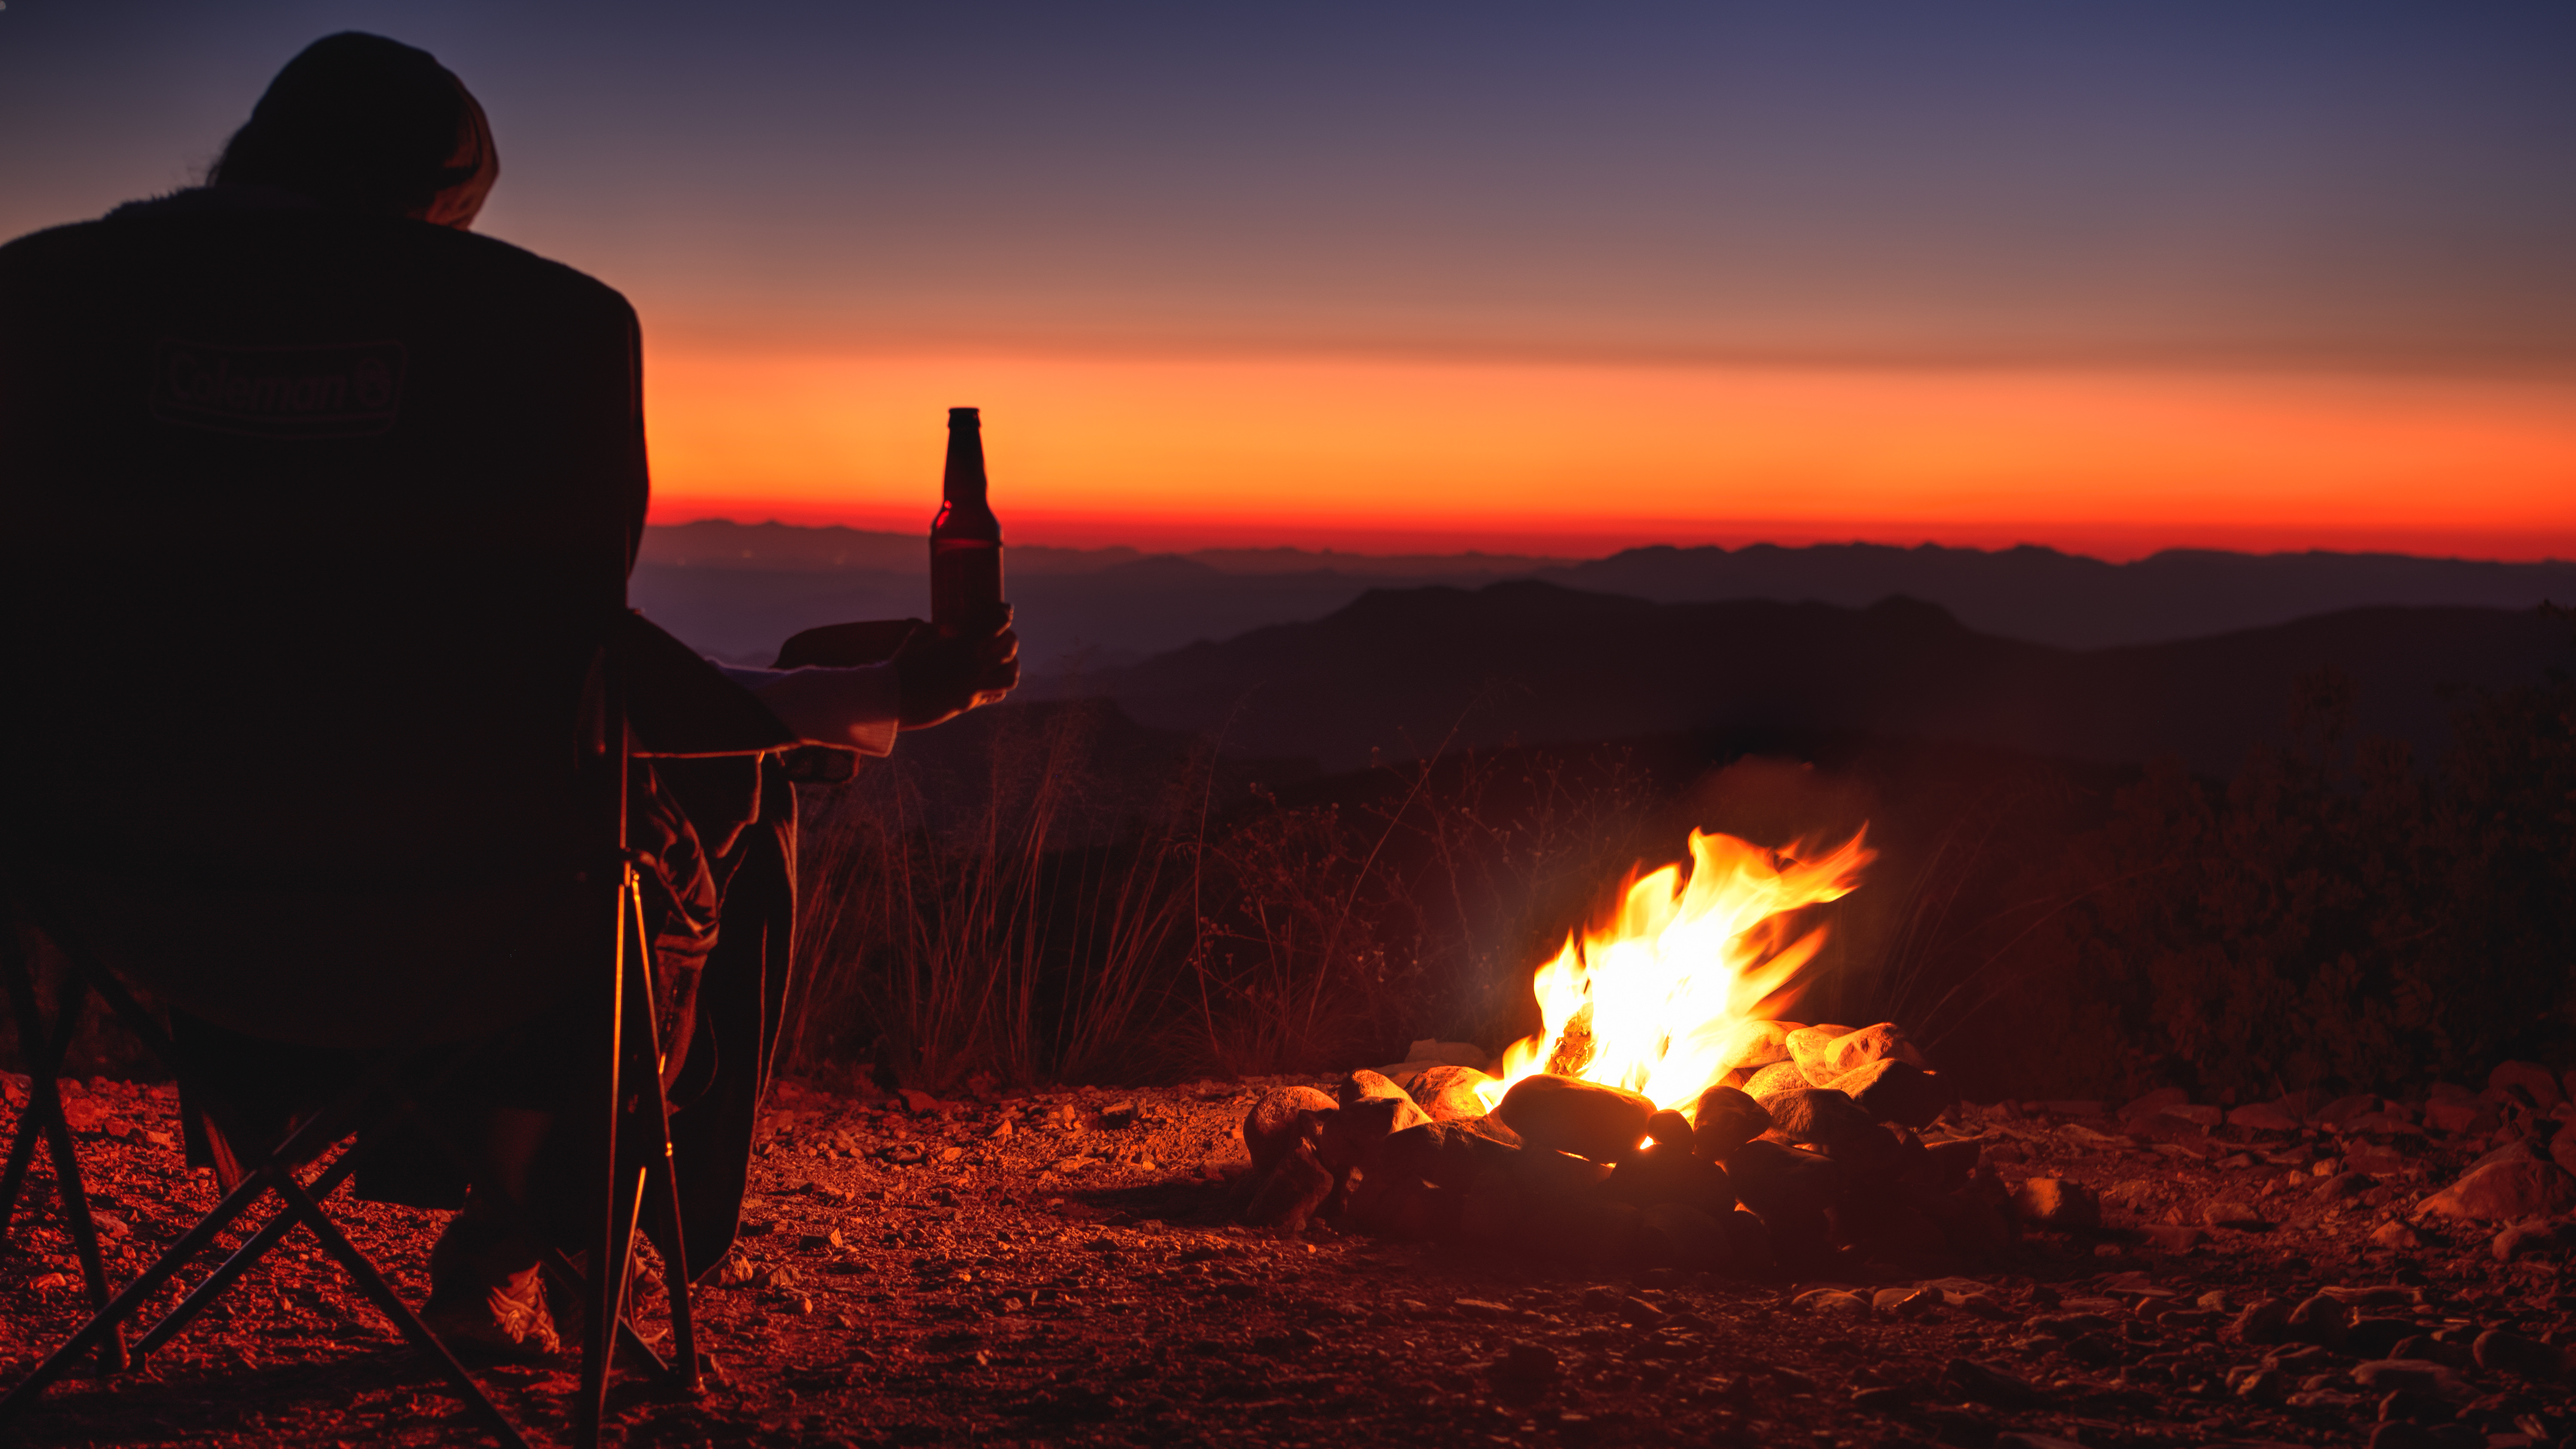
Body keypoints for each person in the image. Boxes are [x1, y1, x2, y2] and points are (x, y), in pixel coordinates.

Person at [0, 32, 1016, 1358]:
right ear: (439, 191)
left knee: (537, 864)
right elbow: (581, 658)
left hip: (133, 920)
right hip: (466, 936)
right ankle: (558, 1234)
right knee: (721, 821)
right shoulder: (538, 330)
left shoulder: (44, 302)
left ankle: (488, 1227)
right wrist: (874, 690)